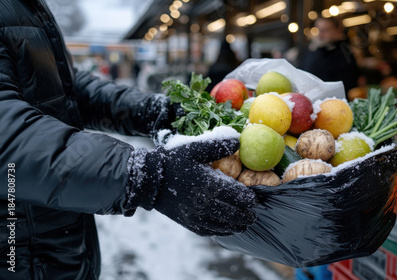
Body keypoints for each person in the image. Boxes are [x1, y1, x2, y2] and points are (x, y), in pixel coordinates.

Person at [0, 1, 258, 279]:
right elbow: (9, 141)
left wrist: (152, 111)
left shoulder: (23, 5)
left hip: (54, 241)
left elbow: (66, 88)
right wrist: (145, 176)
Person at [298, 16, 360, 92]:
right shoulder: (310, 50)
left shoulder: (345, 54)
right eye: (318, 30)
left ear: (337, 30)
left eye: (325, 30)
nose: (320, 35)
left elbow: (348, 84)